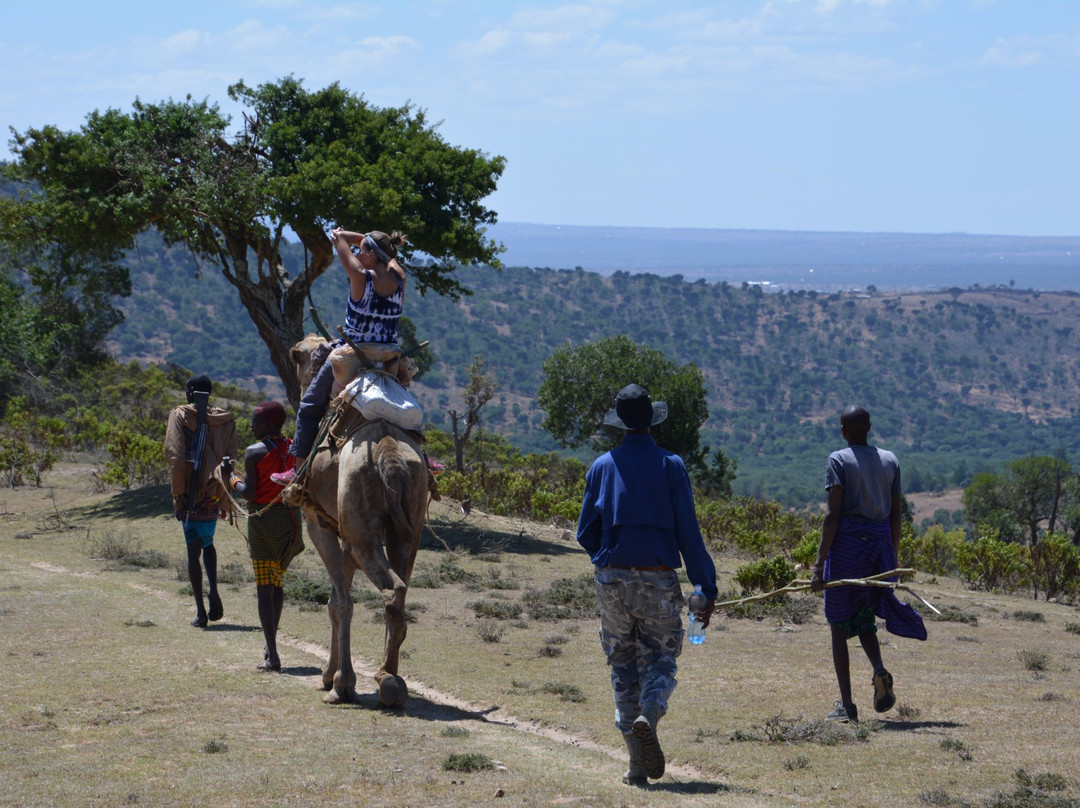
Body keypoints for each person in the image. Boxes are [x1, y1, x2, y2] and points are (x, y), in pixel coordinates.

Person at [577, 383, 718, 787]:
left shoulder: (601, 466)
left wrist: (611, 560)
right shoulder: (670, 464)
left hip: (612, 579)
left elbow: (585, 532)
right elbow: (689, 532)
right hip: (657, 577)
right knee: (659, 658)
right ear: (651, 420)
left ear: (620, 423)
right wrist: (704, 587)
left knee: (622, 663)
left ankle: (635, 765)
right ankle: (650, 713)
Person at [272, 227, 443, 485]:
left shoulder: (360, 277)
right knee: (402, 406)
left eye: (361, 251)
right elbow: (385, 253)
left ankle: (298, 472)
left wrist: (350, 236)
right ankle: (423, 457)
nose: (357, 253)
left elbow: (339, 238)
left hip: (353, 353)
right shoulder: (400, 278)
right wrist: (372, 242)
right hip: (388, 358)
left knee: (308, 406)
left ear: (372, 255)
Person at [810, 405, 927, 723]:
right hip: (879, 549)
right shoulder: (890, 460)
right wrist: (893, 557)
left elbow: (833, 515)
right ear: (870, 428)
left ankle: (847, 706)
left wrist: (819, 564)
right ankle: (878, 668)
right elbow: (895, 515)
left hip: (848, 548)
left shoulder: (838, 460)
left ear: (843, 431)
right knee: (864, 616)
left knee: (838, 623)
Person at [221, 400, 304, 671]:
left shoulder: (254, 452)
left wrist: (231, 477)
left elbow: (250, 493)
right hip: (290, 522)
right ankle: (271, 646)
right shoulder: (295, 448)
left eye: (255, 421)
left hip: (263, 523)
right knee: (276, 585)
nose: (251, 425)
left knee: (264, 588)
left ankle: (273, 655)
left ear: (267, 424)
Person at [164, 375, 238, 628]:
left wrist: (178, 495)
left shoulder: (180, 415)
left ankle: (200, 611)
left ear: (191, 392)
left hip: (189, 492)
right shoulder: (226, 420)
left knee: (192, 550)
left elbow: (175, 456)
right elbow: (231, 459)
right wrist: (223, 496)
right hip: (214, 491)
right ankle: (214, 590)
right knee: (208, 543)